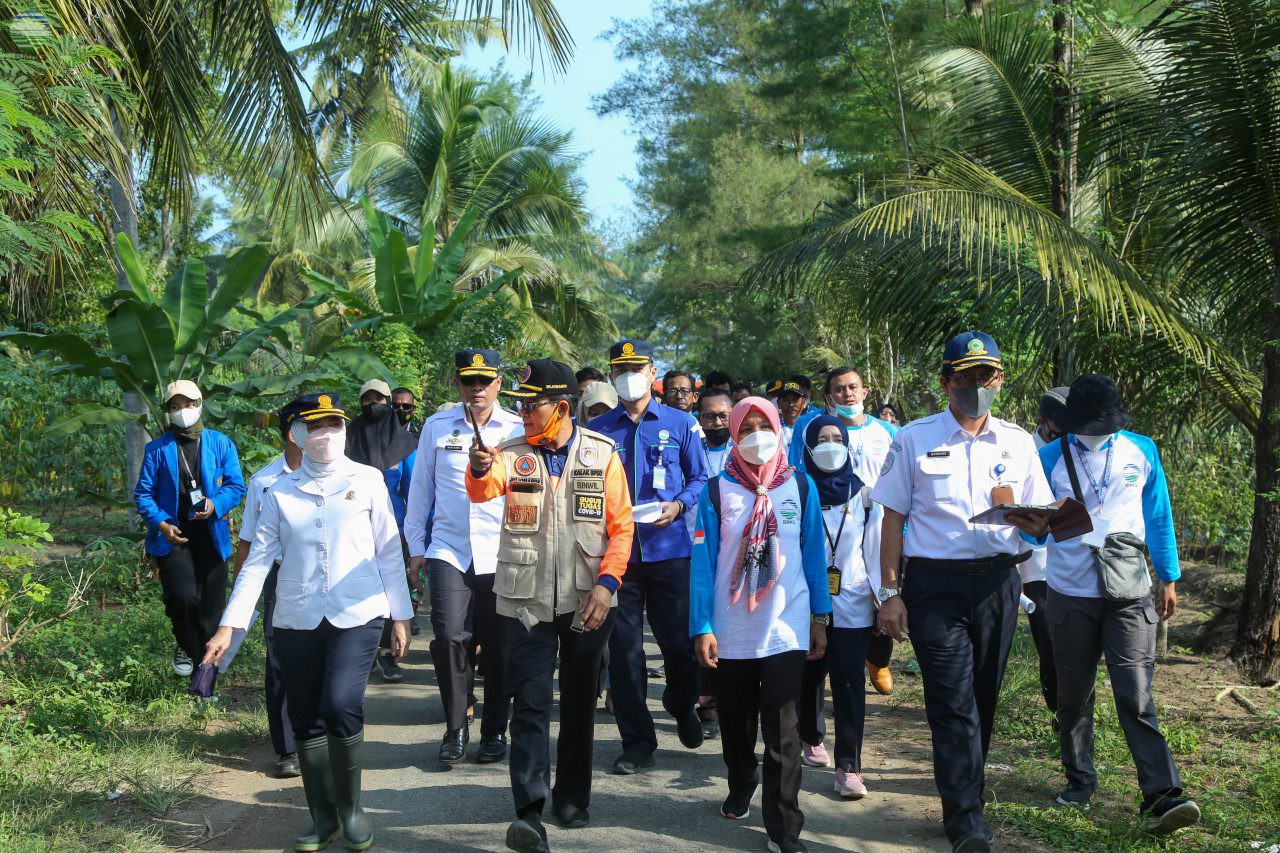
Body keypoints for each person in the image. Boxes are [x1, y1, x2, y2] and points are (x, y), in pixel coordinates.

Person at [205, 393, 413, 853]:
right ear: (296, 434)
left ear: (344, 429)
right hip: (296, 617)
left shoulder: (370, 480)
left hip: (357, 613)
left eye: (333, 425)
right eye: (314, 427)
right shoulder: (277, 491)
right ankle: (322, 818)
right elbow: (257, 563)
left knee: (340, 704)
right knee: (304, 715)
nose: (325, 435)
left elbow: (388, 551)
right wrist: (228, 625)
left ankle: (353, 810)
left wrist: (401, 616)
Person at [871, 331, 1053, 853]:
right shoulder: (914, 438)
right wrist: (890, 591)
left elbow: (1036, 512)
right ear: (945, 381)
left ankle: (968, 791)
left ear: (1000, 379)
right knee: (951, 703)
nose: (979, 385)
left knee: (982, 699)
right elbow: (892, 517)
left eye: (988, 375)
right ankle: (966, 821)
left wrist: (1045, 522)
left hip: (998, 581)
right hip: (934, 586)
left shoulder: (1018, 441)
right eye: (968, 375)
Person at [465, 359, 634, 852]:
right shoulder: (509, 453)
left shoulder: (602, 454)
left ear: (561, 407)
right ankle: (529, 811)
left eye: (530, 404)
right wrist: (477, 468)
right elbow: (482, 489)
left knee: (579, 703)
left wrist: (607, 584)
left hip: (588, 600)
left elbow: (621, 528)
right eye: (518, 403)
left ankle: (572, 797)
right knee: (532, 702)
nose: (521, 412)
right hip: (526, 601)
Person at [1039, 374, 1200, 834]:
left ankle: (1162, 793)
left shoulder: (1141, 450)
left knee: (1135, 693)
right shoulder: (1048, 456)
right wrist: (1031, 521)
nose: (1098, 429)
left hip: (1129, 592)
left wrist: (1168, 577)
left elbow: (1159, 515)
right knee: (1074, 694)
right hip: (1070, 591)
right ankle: (1079, 782)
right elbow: (1033, 526)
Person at [690, 396, 831, 853]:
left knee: (784, 734)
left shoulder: (801, 488)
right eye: (745, 428)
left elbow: (814, 557)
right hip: (732, 630)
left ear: (777, 429)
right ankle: (741, 778)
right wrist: (702, 626)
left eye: (762, 425)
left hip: (786, 628)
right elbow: (702, 564)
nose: (756, 436)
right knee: (736, 725)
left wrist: (819, 618)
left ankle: (784, 827)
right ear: (733, 435)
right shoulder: (717, 491)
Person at [588, 339, 709, 775]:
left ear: (652, 370)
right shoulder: (600, 429)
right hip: (618, 557)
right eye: (619, 368)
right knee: (624, 652)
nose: (627, 375)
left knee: (678, 646)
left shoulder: (681, 423)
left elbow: (699, 479)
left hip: (670, 550)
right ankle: (637, 741)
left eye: (635, 367)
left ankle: (681, 704)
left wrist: (678, 505)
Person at [405, 350, 524, 765]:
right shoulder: (437, 427)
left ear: (498, 384)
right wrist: (416, 548)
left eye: (485, 380)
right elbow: (420, 491)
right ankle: (456, 726)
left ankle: (494, 731)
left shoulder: (517, 428)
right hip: (448, 550)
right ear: (457, 384)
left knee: (499, 646)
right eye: (468, 380)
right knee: (451, 637)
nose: (477, 388)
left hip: (502, 552)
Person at [790, 367, 899, 701]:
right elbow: (797, 469)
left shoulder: (889, 431)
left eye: (853, 388)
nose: (847, 394)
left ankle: (876, 660)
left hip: (874, 523)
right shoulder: (810, 430)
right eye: (839, 390)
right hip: (825, 521)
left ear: (865, 392)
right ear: (829, 398)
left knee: (879, 596)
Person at [134, 380, 246, 680]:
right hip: (174, 535)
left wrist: (216, 504)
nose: (182, 411)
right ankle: (186, 645)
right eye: (174, 407)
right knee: (182, 598)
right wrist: (161, 523)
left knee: (212, 609)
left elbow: (236, 485)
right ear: (168, 412)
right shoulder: (157, 450)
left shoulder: (220, 443)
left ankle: (205, 670)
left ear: (199, 405)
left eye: (188, 404)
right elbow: (143, 494)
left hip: (211, 533)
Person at [796, 416, 883, 798]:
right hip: (804, 602)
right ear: (808, 448)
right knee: (808, 675)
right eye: (822, 439)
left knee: (849, 682)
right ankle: (811, 736)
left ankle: (849, 766)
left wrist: (884, 598)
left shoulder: (865, 493)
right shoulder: (795, 491)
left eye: (838, 439)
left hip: (853, 602)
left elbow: (876, 551)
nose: (830, 445)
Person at [233, 396, 307, 779]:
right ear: (293, 433)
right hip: (280, 578)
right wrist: (238, 603)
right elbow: (246, 543)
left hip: (324, 576)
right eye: (312, 425)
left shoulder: (343, 476)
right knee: (279, 661)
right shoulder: (263, 482)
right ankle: (287, 749)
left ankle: (318, 733)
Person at [346, 378, 418, 683]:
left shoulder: (406, 445)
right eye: (367, 399)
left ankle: (391, 654)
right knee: (359, 588)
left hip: (393, 531)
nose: (373, 405)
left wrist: (415, 538)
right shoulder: (347, 441)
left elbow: (415, 492)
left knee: (391, 589)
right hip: (352, 529)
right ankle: (365, 651)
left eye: (379, 399)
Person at [1022, 385, 1072, 723]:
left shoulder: (1078, 448)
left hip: (1072, 557)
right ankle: (1058, 708)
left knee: (1072, 636)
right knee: (1046, 634)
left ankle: (1072, 706)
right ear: (1044, 421)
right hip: (1034, 561)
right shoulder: (1023, 448)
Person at [387, 387, 422, 635]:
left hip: (404, 528)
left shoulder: (417, 443)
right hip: (374, 525)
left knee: (408, 581)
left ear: (413, 410)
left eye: (406, 407)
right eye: (396, 406)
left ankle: (395, 648)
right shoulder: (375, 439)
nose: (400, 410)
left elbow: (416, 492)